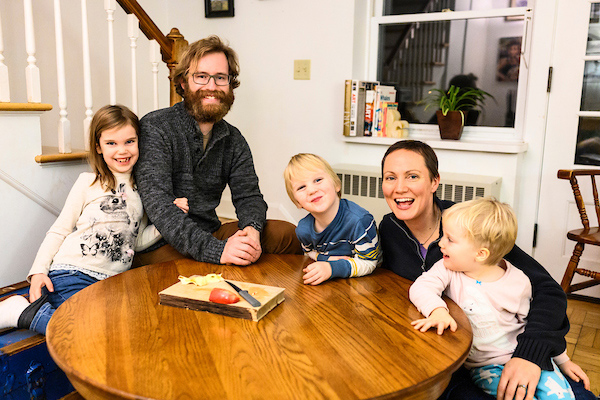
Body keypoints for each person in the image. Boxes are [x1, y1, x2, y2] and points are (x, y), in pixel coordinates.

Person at [378, 140, 596, 400]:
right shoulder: (389, 229)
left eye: (412, 176)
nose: (399, 188)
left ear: (435, 181)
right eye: (390, 177)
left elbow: (547, 291)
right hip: (450, 359)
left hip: (512, 351)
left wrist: (531, 355)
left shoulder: (469, 229)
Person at [134, 35, 301, 267]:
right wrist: (217, 251)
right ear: (183, 82)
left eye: (220, 78)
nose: (211, 86)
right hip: (162, 242)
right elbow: (160, 207)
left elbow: (249, 196)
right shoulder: (156, 128)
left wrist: (251, 231)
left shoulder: (233, 138)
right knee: (189, 269)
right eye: (201, 77)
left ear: (230, 85)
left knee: (288, 235)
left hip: (211, 232)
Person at [0, 105, 162, 335]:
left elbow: (133, 243)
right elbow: (60, 230)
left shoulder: (143, 192)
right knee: (87, 333)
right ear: (98, 147)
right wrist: (38, 271)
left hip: (110, 284)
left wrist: (165, 225)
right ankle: (21, 313)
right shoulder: (88, 182)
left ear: (139, 142)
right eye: (111, 143)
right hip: (72, 274)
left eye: (129, 141)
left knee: (118, 330)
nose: (122, 150)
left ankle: (34, 313)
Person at [409, 198, 589, 399]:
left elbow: (533, 323)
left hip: (527, 356)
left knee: (563, 396)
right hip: (486, 367)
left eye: (450, 239)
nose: (440, 243)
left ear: (481, 254)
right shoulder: (446, 269)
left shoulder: (518, 281)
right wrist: (437, 311)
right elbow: (421, 287)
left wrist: (563, 361)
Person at [283, 153, 380, 285]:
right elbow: (309, 252)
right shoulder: (303, 229)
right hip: (331, 282)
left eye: (318, 180)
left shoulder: (359, 221)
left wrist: (332, 267)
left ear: (336, 185)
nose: (311, 190)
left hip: (368, 281)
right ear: (297, 202)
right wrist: (326, 259)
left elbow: (369, 262)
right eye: (301, 187)